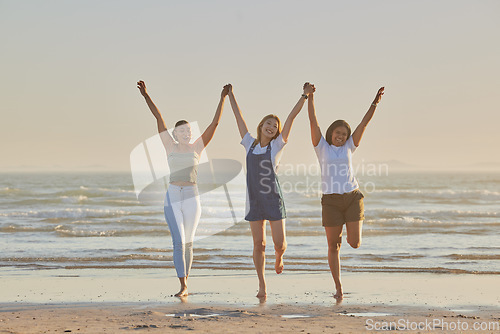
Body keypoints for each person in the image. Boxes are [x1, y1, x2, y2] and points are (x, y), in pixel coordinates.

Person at [137, 80, 230, 297]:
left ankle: (186, 283)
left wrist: (222, 98)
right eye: (182, 130)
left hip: (192, 195)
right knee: (178, 241)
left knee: (188, 242)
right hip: (173, 195)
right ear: (175, 134)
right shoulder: (169, 145)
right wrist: (146, 96)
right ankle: (183, 285)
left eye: (189, 130)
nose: (186, 133)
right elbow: (158, 118)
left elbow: (214, 124)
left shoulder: (197, 146)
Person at [227, 83, 315, 298]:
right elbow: (239, 118)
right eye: (268, 123)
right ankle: (262, 285)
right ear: (261, 125)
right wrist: (230, 95)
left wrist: (304, 96)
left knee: (279, 244)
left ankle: (279, 257)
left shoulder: (277, 146)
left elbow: (291, 118)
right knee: (259, 244)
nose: (272, 128)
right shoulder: (249, 143)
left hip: (273, 199)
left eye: (275, 126)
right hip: (254, 200)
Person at [307, 84, 385, 299]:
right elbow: (313, 121)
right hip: (330, 201)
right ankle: (338, 287)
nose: (340, 136)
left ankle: (353, 231)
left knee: (354, 243)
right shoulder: (321, 146)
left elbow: (364, 124)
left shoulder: (350, 146)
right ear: (331, 133)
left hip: (352, 197)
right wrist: (310, 97)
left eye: (344, 134)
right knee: (333, 245)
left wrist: (374, 104)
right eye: (337, 132)